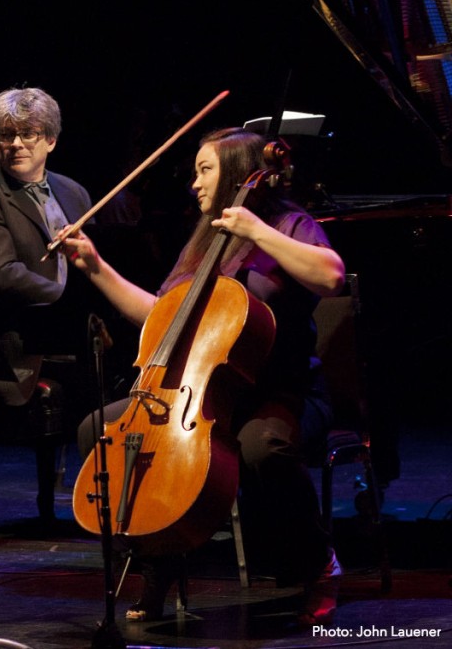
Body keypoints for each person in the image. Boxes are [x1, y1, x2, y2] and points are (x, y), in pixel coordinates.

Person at [63, 127, 346, 627]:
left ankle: (318, 564)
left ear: (236, 172)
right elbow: (161, 317)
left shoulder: (288, 223)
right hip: (200, 393)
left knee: (262, 450)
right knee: (97, 432)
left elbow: (331, 276)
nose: (194, 183)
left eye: (204, 170)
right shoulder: (204, 240)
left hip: (279, 391)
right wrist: (95, 267)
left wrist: (257, 231)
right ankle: (157, 558)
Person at [0, 87, 96, 529]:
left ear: (50, 140)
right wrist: (70, 305)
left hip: (73, 329)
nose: (16, 144)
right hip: (18, 340)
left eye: (28, 134)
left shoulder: (74, 192)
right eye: (6, 135)